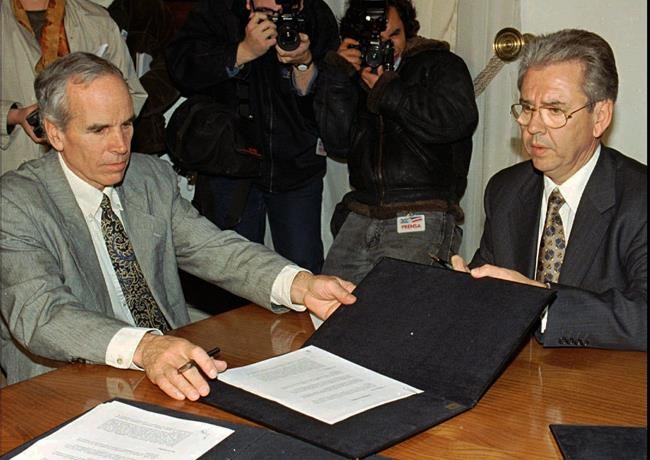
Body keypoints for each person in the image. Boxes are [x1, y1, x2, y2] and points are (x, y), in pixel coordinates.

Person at [0, 52, 356, 400]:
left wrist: (300, 284)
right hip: (67, 383)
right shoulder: (16, 203)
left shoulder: (148, 177)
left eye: (126, 124)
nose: (120, 146)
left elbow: (214, 249)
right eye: (99, 130)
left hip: (168, 362)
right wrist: (145, 347)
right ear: (54, 133)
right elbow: (41, 314)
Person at [451, 29, 647, 351]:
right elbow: (492, 291)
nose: (533, 127)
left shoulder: (639, 198)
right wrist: (464, 290)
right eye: (527, 108)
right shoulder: (505, 190)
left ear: (600, 117)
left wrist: (538, 302)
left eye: (555, 111)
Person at [164, 0, 340, 274]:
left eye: (288, 6)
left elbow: (334, 94)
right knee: (231, 270)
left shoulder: (316, 14)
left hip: (296, 164)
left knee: (304, 269)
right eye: (268, 10)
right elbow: (181, 68)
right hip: (229, 163)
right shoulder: (219, 10)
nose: (279, 10)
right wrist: (241, 52)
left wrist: (305, 64)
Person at [314, 0, 478, 285]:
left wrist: (387, 90)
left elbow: (456, 121)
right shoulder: (355, 73)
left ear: (408, 29)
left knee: (400, 305)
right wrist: (338, 79)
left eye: (395, 34)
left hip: (422, 208)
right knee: (331, 303)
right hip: (361, 211)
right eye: (376, 38)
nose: (387, 45)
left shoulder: (440, 63)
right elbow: (338, 144)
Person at [0, 0, 147, 175]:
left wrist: (98, 120)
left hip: (89, 172)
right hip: (13, 162)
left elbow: (133, 93)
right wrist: (13, 115)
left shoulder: (97, 20)